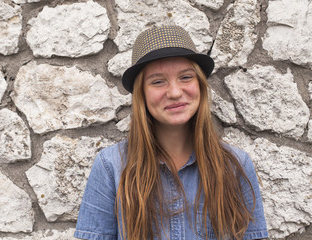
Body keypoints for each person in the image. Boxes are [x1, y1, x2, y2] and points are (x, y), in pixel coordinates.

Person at [74, 25, 268, 240]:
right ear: (142, 94)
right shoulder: (111, 166)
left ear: (201, 86)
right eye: (158, 82)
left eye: (186, 77)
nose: (175, 92)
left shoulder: (236, 166)